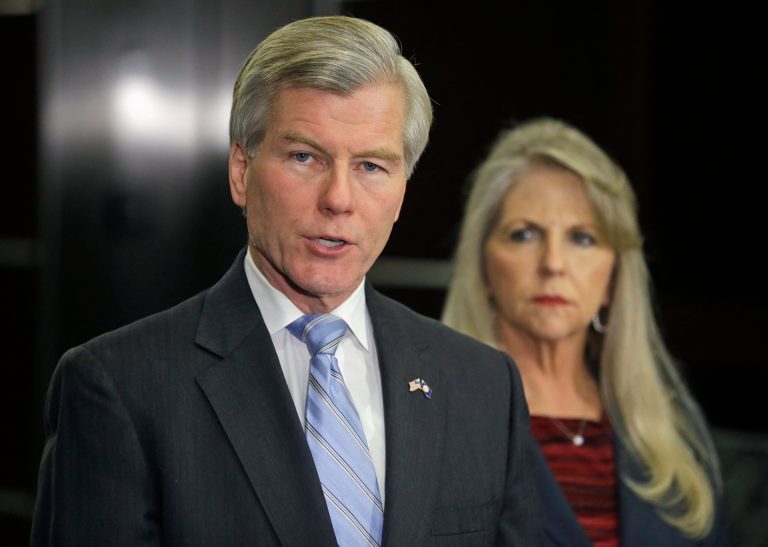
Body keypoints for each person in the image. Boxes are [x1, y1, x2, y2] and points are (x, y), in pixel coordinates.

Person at [31, 16, 543, 546]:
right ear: (241, 172)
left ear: (402, 194)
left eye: (371, 166)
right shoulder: (119, 386)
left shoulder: (483, 386)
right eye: (304, 157)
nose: (338, 199)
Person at [442, 117, 726, 546]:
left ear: (613, 277)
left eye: (582, 238)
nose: (553, 263)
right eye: (524, 235)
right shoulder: (437, 416)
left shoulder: (668, 420)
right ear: (482, 265)